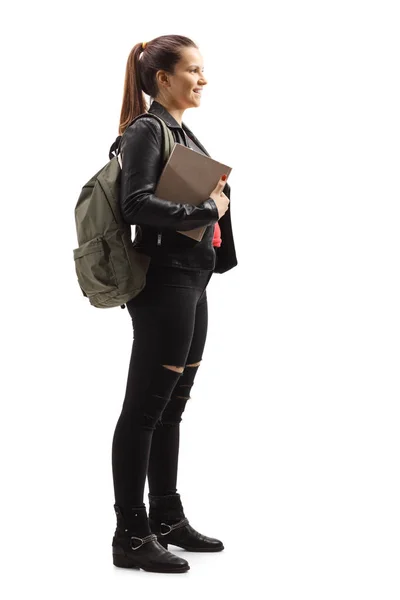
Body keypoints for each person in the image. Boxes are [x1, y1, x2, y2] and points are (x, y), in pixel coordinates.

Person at [110, 34, 238, 574]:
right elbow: (135, 203)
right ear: (163, 79)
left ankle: (165, 516)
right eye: (194, 69)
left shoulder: (180, 131)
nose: (203, 79)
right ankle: (130, 533)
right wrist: (207, 203)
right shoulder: (145, 131)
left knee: (171, 404)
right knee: (144, 408)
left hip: (193, 278)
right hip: (165, 285)